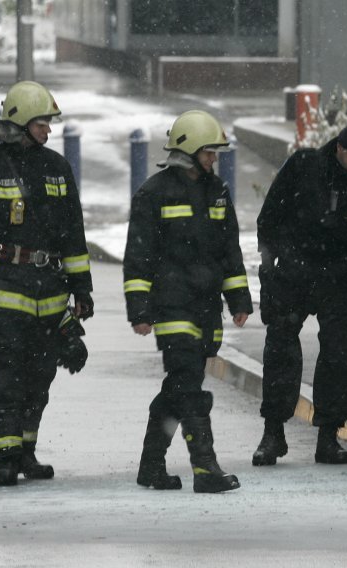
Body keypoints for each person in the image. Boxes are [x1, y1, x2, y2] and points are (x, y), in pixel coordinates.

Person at [0, 80, 94, 486]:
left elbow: (74, 233)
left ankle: (26, 452)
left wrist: (83, 288)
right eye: (42, 122)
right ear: (20, 121)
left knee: (40, 378)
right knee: (6, 377)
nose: (49, 129)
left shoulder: (57, 168)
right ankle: (4, 457)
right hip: (7, 291)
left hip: (51, 293)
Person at [123, 110, 252, 493]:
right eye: (209, 153)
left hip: (206, 304)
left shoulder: (217, 192)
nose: (214, 160)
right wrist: (140, 309)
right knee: (189, 387)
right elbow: (138, 256)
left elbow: (230, 250)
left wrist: (239, 298)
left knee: (181, 386)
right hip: (171, 305)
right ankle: (205, 467)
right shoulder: (154, 193)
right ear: (189, 151)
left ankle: (150, 466)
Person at [253, 121, 347, 466]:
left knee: (337, 358)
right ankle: (273, 432)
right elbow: (270, 217)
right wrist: (270, 266)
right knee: (280, 352)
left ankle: (328, 436)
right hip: (294, 274)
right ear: (339, 148)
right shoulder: (305, 166)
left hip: (344, 283)